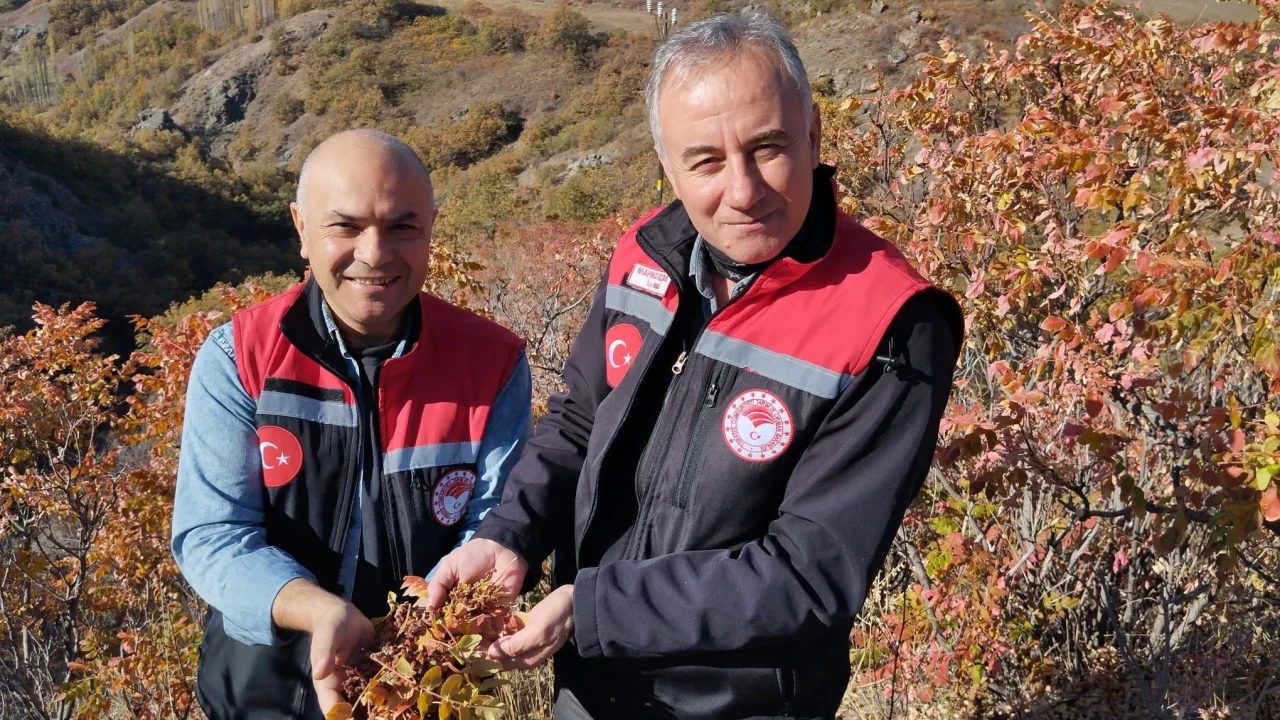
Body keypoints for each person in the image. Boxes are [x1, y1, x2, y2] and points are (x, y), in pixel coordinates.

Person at [427, 10, 964, 720]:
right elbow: (581, 420)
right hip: (592, 687)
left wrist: (590, 610)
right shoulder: (646, 255)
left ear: (813, 135)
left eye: (769, 147)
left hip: (740, 703)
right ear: (667, 166)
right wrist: (509, 534)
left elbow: (811, 575)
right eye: (705, 161)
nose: (742, 191)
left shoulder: (890, 321)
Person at [170, 129, 532, 719]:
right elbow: (211, 535)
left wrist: (428, 633)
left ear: (431, 228)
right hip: (260, 691)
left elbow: (495, 522)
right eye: (346, 226)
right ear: (301, 228)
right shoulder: (241, 356)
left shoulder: (490, 362)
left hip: (423, 687)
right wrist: (315, 609)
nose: (374, 253)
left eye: (402, 227)